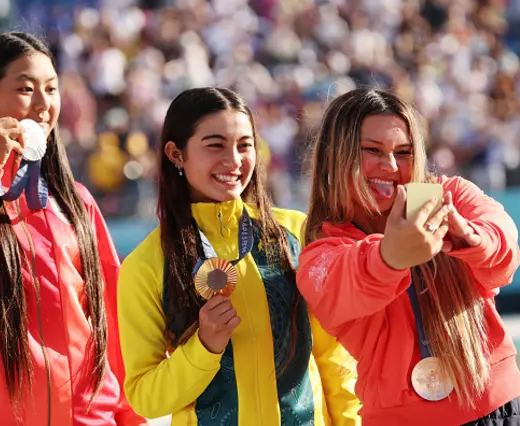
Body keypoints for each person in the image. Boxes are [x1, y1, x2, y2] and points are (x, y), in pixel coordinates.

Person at [0, 32, 145, 426]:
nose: (43, 104)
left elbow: (111, 323)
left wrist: (129, 417)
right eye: (25, 88)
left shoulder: (75, 199)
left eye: (51, 88)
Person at [117, 87, 361, 425]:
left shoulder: (297, 234)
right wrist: (204, 346)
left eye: (244, 145)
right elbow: (145, 397)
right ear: (176, 154)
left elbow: (334, 357)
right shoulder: (145, 265)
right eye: (215, 145)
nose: (234, 161)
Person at [296, 88, 520, 426]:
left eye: (403, 152)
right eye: (372, 150)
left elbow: (504, 253)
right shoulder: (322, 251)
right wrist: (391, 255)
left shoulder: (452, 196)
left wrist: (469, 238)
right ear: (337, 156)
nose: (390, 166)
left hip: (498, 411)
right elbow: (346, 281)